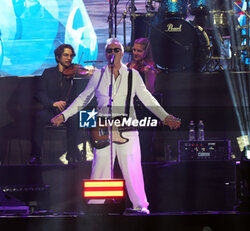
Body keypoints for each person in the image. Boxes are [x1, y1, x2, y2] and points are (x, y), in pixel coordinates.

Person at [51, 38, 181, 214]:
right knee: (101, 166)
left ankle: (140, 207)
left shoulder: (133, 75)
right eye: (109, 50)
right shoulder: (98, 75)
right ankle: (96, 206)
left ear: (122, 52)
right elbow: (84, 98)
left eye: (116, 50)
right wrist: (64, 115)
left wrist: (165, 117)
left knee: (132, 168)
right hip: (104, 128)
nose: (113, 53)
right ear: (106, 54)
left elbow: (147, 98)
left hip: (127, 126)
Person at [30, 44, 83, 164]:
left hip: (68, 111)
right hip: (51, 110)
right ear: (58, 57)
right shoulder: (48, 73)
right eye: (65, 55)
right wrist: (52, 103)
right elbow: (40, 93)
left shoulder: (75, 73)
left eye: (71, 55)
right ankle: (36, 155)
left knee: (74, 119)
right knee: (38, 118)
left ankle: (72, 154)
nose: (69, 58)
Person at [127, 38, 159, 161]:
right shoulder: (130, 65)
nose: (135, 53)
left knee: (144, 146)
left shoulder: (150, 67)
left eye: (139, 51)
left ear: (146, 52)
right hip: (131, 110)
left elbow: (150, 91)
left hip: (145, 111)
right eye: (134, 50)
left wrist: (148, 74)